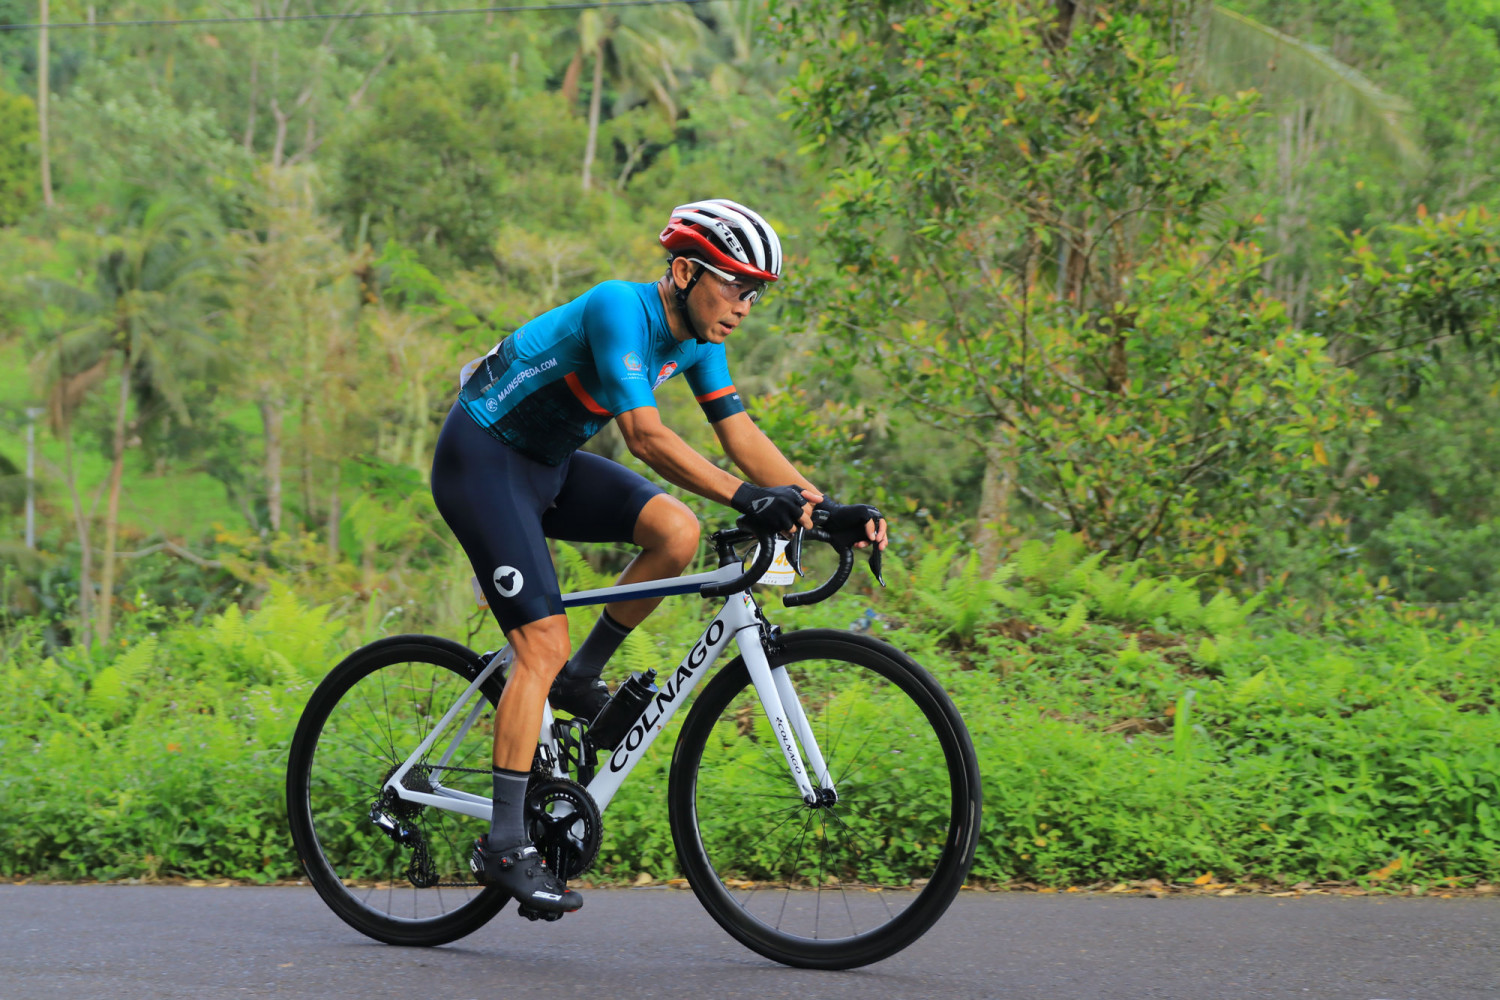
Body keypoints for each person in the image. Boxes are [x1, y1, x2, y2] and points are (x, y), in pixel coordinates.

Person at [429, 199, 887, 916]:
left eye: (755, 292)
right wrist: (747, 498)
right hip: (481, 461)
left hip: (547, 466)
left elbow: (741, 437)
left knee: (675, 531)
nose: (744, 305)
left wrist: (824, 511)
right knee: (539, 644)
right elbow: (644, 436)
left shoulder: (701, 340)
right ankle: (505, 846)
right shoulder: (619, 307)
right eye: (735, 285)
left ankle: (580, 678)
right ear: (684, 272)